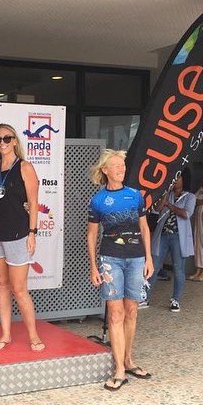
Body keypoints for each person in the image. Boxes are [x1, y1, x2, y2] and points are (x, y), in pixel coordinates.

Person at [86, 149, 154, 391]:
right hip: (110, 259)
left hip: (136, 258)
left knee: (132, 312)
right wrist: (94, 266)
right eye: (116, 166)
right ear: (105, 170)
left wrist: (149, 258)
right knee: (115, 314)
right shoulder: (98, 201)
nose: (121, 170)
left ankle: (128, 359)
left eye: (123, 166)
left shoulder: (136, 195)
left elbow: (145, 228)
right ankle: (119, 369)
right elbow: (92, 234)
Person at [0, 124, 45, 351]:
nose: (3, 142)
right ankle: (6, 334)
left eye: (7, 138)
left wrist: (32, 233)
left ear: (15, 141)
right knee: (2, 285)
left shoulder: (25, 167)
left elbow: (34, 203)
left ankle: (34, 336)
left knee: (19, 289)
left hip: (18, 234)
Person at [146, 171, 196, 312]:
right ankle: (145, 297)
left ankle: (175, 300)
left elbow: (186, 214)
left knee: (178, 269)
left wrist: (170, 205)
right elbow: (157, 209)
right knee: (154, 266)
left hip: (178, 236)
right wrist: (165, 196)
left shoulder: (190, 197)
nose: (175, 180)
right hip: (163, 235)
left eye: (178, 177)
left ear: (184, 179)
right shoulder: (167, 194)